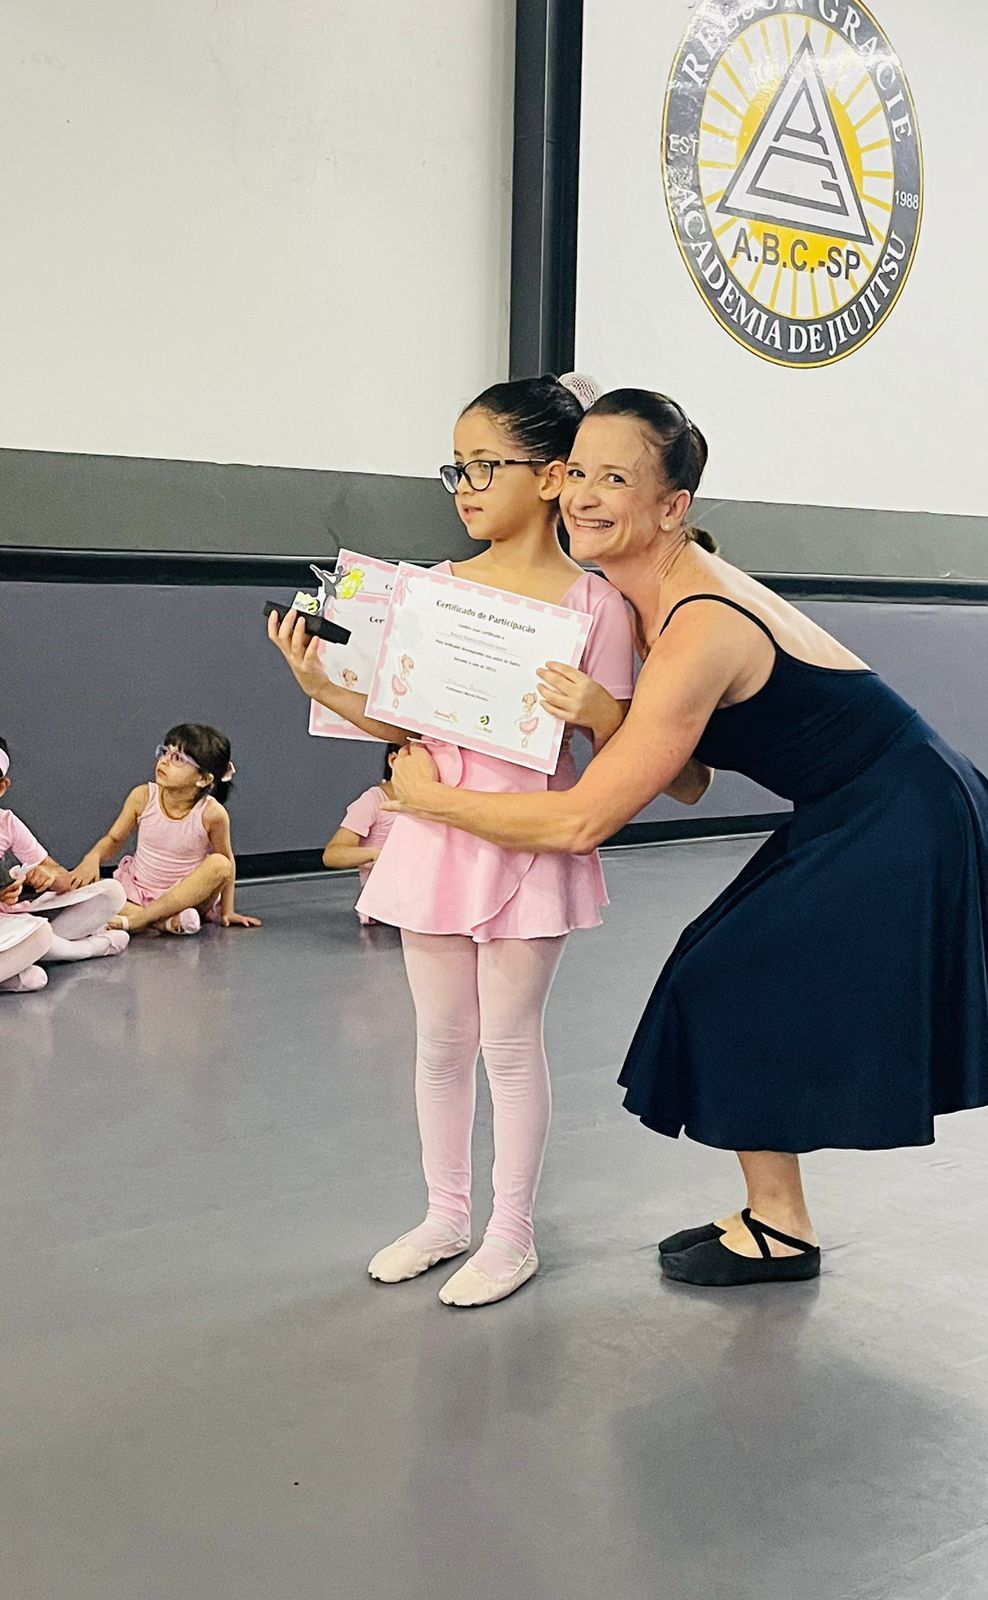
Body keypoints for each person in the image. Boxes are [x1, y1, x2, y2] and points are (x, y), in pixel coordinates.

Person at [299, 386, 988, 1289]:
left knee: (724, 973)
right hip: (860, 802)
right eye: (578, 472)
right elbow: (687, 776)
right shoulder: (641, 600)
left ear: (671, 506)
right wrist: (599, 711)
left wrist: (431, 801)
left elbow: (583, 819)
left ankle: (779, 1227)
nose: (584, 495)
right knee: (717, 967)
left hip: (906, 808)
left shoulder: (696, 621)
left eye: (615, 479)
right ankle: (776, 1217)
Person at [269, 374, 637, 1308]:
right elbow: (406, 721)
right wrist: (322, 686)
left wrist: (600, 710)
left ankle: (512, 1233)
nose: (465, 487)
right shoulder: (431, 589)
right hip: (432, 837)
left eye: (484, 466)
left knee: (509, 1044)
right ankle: (445, 1214)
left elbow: (630, 750)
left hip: (530, 844)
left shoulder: (596, 605)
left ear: (550, 476)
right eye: (456, 469)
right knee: (439, 1041)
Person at [70, 724, 261, 935]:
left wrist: (227, 910)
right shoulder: (142, 796)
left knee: (220, 863)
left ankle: (139, 919)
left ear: (203, 779)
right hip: (137, 891)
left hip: (185, 898)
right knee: (91, 891)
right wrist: (93, 857)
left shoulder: (212, 813)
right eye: (165, 752)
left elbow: (227, 863)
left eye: (177, 758)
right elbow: (114, 839)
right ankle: (163, 922)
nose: (164, 761)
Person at [0, 735, 130, 990]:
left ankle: (16, 965)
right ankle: (85, 949)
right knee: (39, 937)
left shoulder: (7, 823)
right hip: (14, 928)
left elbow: (62, 879)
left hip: (11, 923)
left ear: (2, 787)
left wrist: (43, 878)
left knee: (111, 892)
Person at [322, 744, 404, 925]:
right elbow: (332, 855)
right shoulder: (373, 800)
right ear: (394, 760)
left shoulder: (434, 801)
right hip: (385, 898)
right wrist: (376, 854)